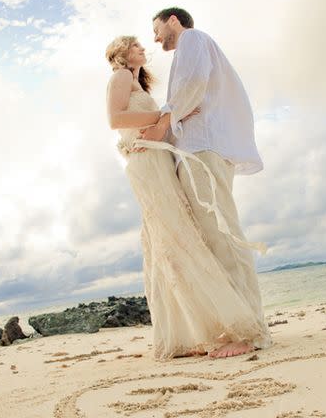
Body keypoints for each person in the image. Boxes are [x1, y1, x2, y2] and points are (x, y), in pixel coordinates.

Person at [105, 35, 271, 360]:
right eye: (136, 45)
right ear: (123, 53)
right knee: (172, 237)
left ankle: (186, 333)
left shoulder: (139, 85)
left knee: (178, 237)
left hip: (158, 159)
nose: (144, 48)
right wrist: (166, 115)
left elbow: (154, 128)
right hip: (146, 163)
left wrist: (175, 118)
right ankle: (205, 329)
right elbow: (115, 120)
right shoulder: (121, 76)